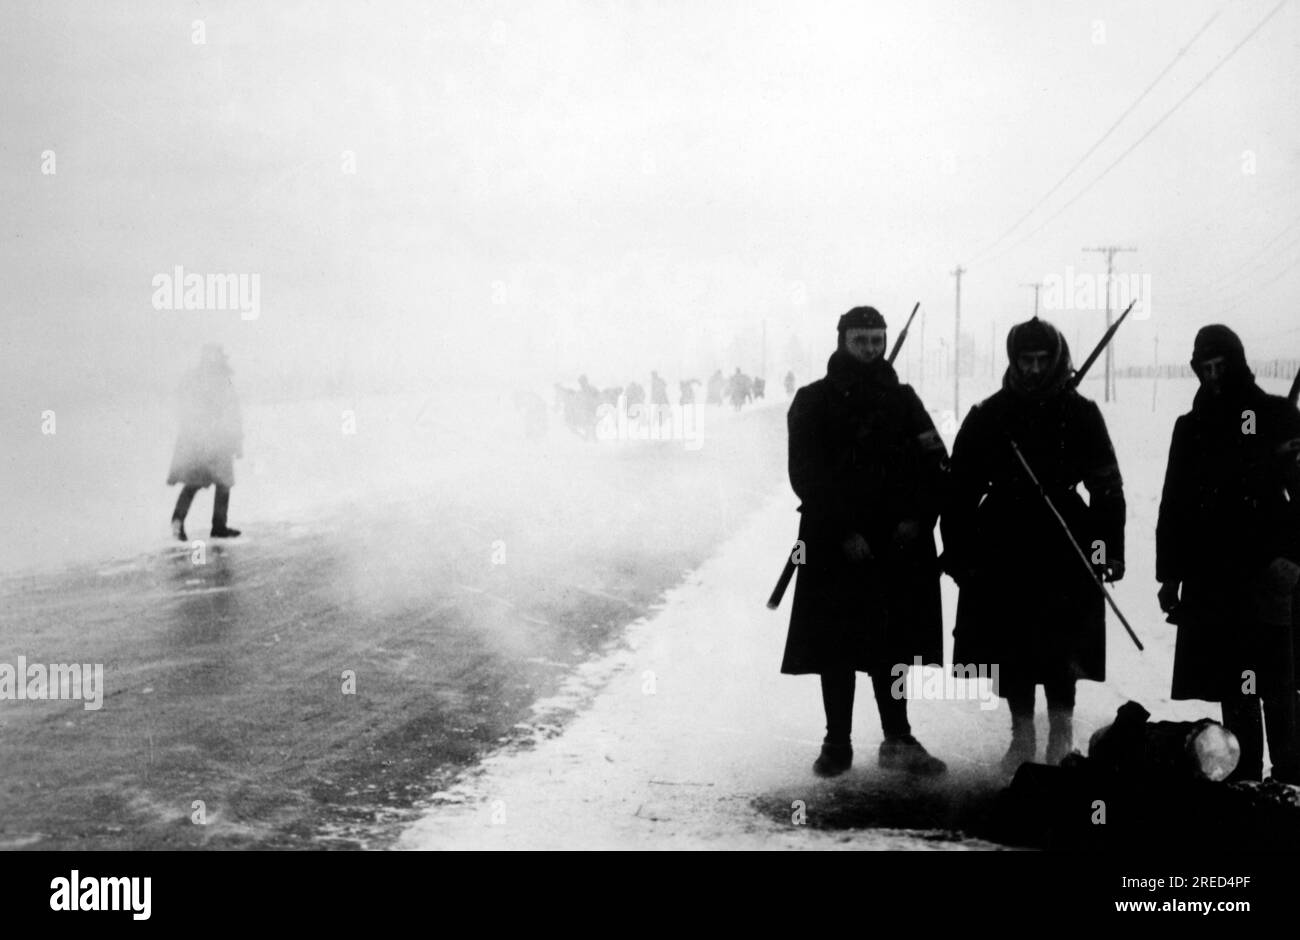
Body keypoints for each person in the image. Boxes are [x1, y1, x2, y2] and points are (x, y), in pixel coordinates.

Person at [942, 317, 1125, 772]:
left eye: (1044, 360)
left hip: (1066, 539)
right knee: (1013, 643)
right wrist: (961, 553)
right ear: (1014, 361)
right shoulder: (990, 415)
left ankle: (1060, 730)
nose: (1035, 369)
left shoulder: (1080, 413)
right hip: (1004, 541)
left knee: (1062, 643)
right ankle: (1021, 732)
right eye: (1026, 360)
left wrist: (1105, 552)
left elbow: (1106, 487)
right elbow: (959, 490)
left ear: (1057, 359)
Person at [782, 306, 949, 777]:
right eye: (862, 341)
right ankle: (837, 743)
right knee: (837, 644)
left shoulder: (904, 399)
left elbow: (936, 463)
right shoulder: (812, 401)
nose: (872, 350)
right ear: (842, 342)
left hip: (898, 543)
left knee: (892, 644)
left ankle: (898, 738)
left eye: (878, 340)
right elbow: (805, 475)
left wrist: (917, 517)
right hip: (836, 543)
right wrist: (843, 532)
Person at [1156, 325, 1300, 783]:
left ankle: (1292, 777)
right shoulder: (1191, 427)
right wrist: (1169, 574)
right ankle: (1245, 778)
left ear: (1237, 364)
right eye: (1206, 368)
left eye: (1222, 367)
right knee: (1237, 684)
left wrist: (1294, 556)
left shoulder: (1275, 415)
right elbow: (1174, 502)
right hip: (1214, 577)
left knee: (1279, 684)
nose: (1214, 377)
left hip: (1270, 576)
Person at [167, 344, 244, 539]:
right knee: (197, 483)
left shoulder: (220, 380)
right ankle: (180, 522)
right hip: (203, 441)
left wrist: (236, 441)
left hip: (218, 441)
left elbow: (233, 412)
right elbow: (185, 407)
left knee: (222, 484)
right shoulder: (200, 380)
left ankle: (217, 525)